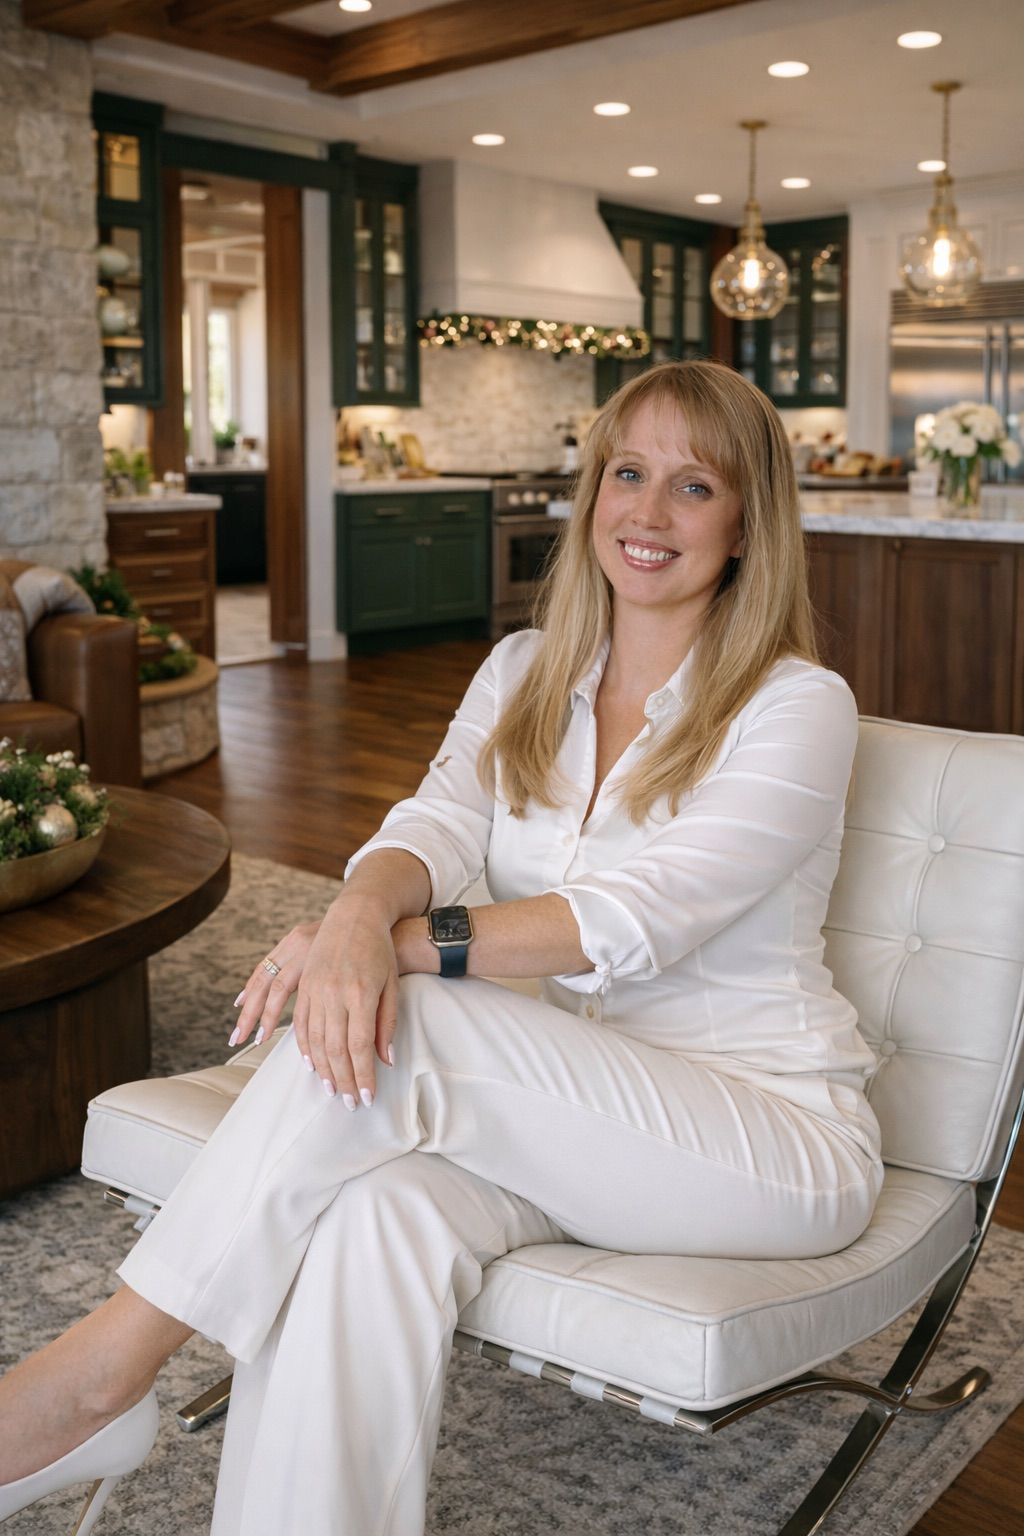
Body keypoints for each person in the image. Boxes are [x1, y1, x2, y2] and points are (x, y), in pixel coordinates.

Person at [0, 360, 882, 1535]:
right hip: (559, 1125)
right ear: (593, 492)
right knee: (373, 1219)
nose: (648, 512)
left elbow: (634, 916)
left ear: (746, 524)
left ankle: (94, 1377)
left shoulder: (795, 705)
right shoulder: (525, 670)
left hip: (762, 1139)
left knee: (412, 1008)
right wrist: (352, 920)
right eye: (628, 473)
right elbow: (432, 823)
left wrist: (393, 950)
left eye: (693, 486)